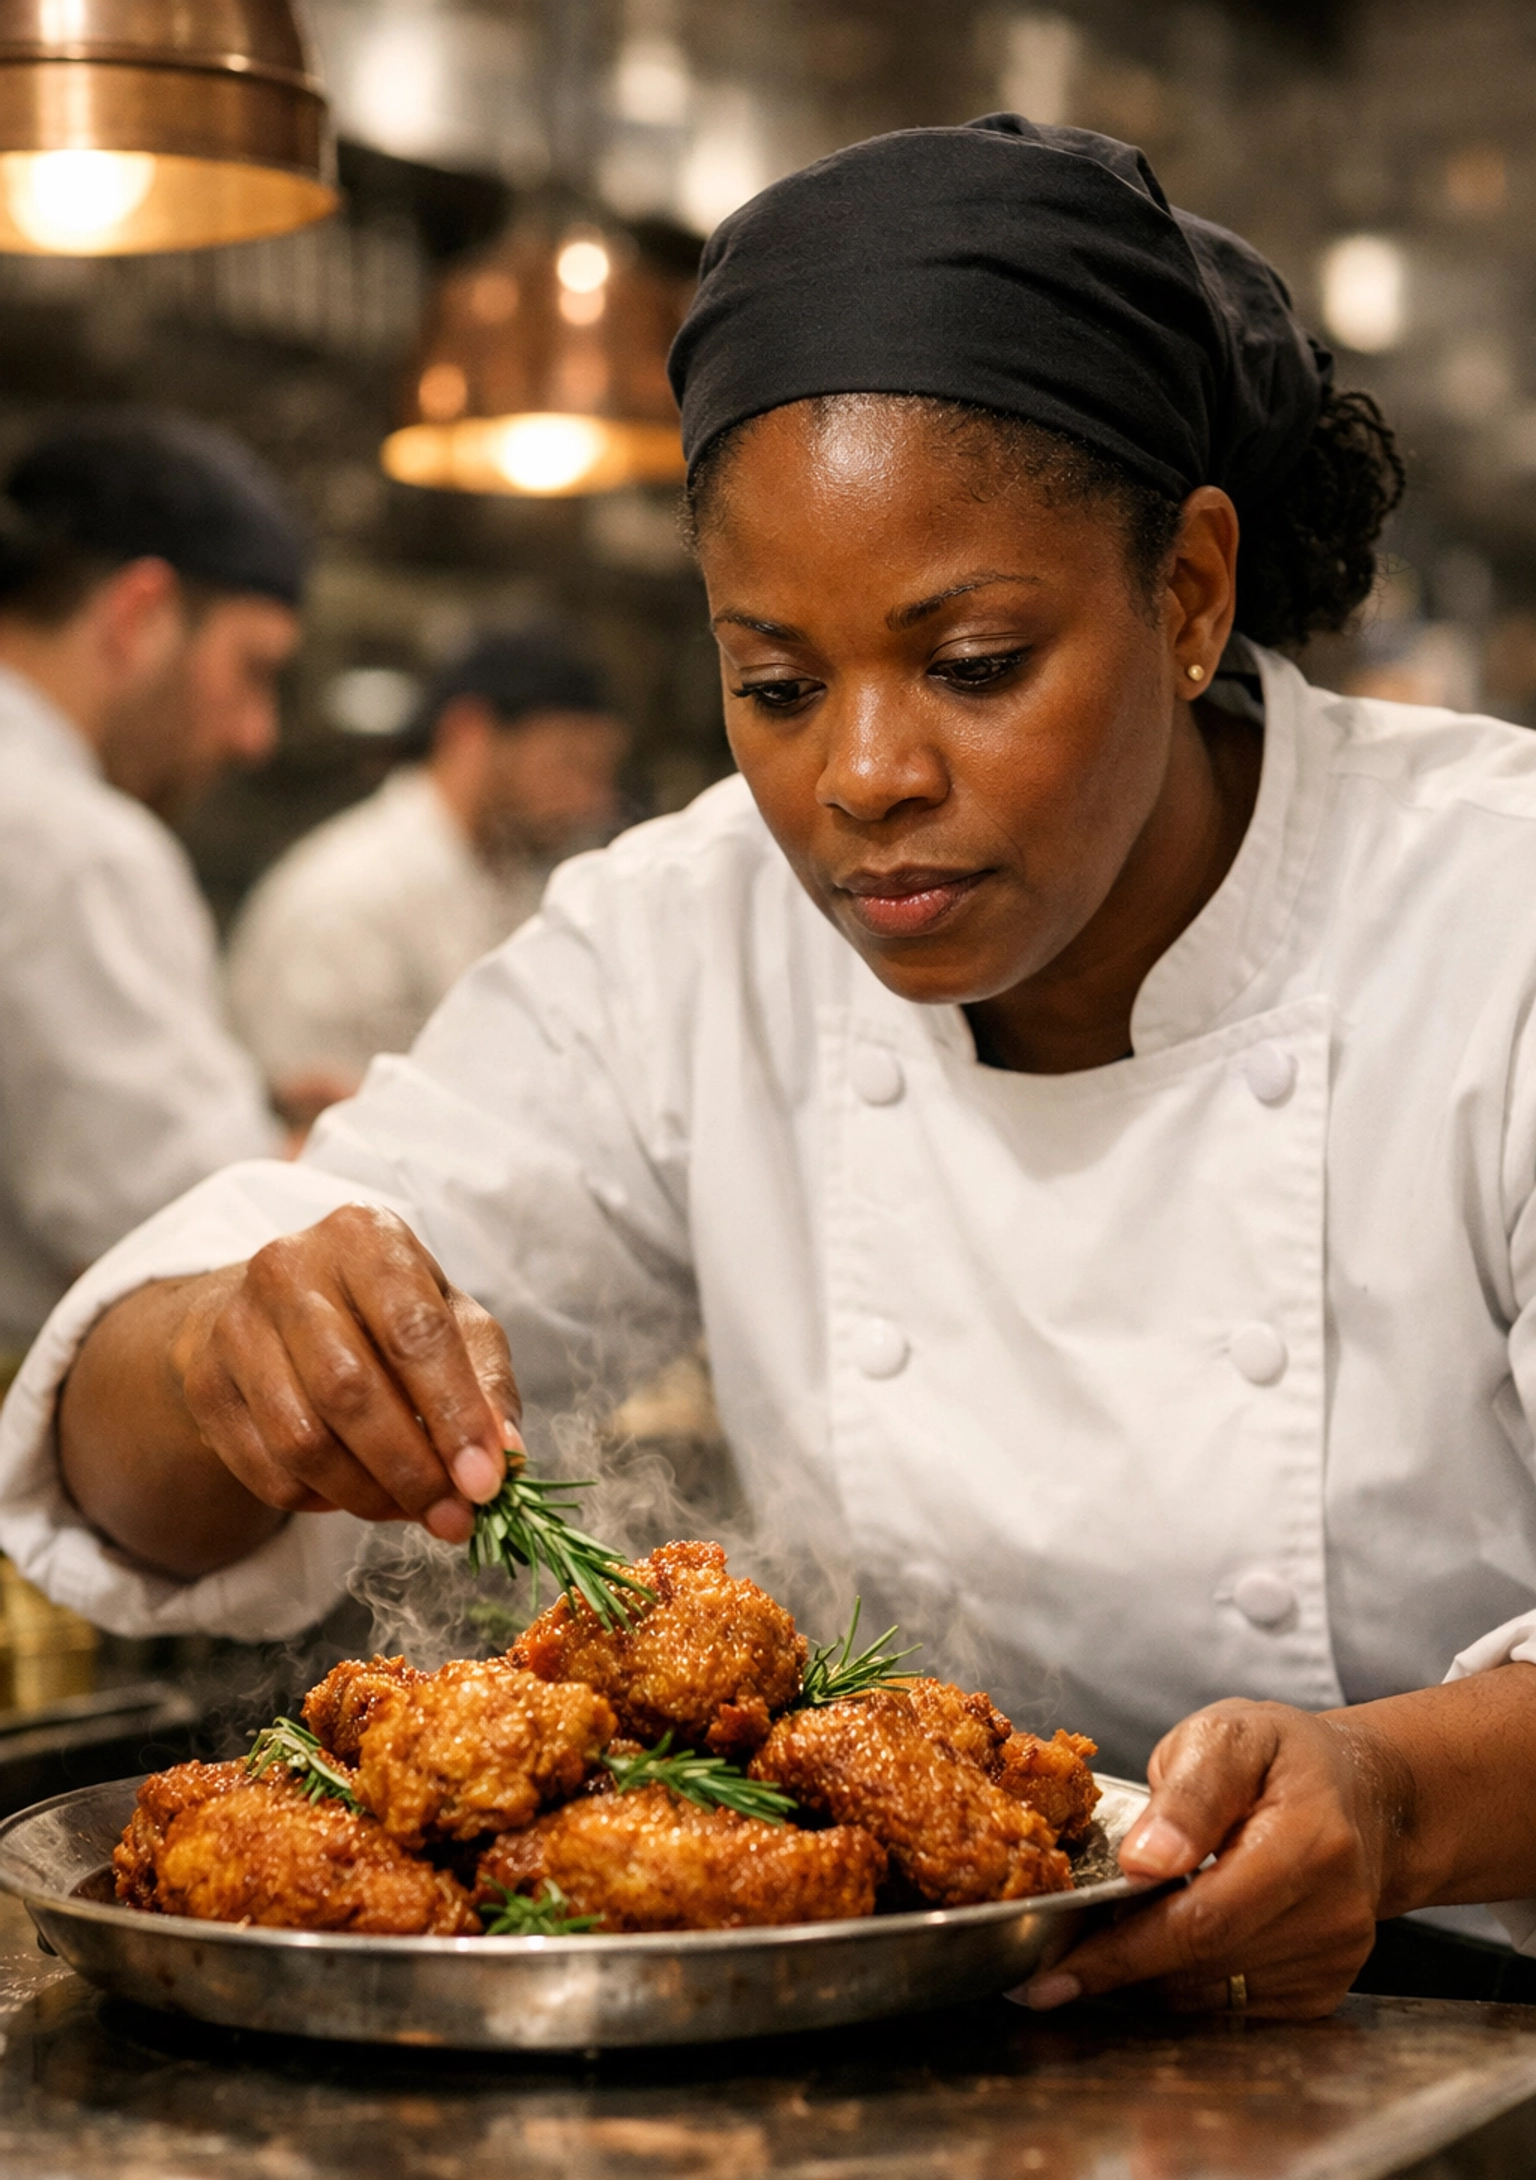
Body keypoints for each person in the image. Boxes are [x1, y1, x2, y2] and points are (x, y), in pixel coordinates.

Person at [7, 116, 1536, 2014]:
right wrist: (233, 1353)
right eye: (778, 684)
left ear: (1192, 590)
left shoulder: (1494, 914)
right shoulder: (686, 934)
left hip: (1473, 2021)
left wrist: (1387, 1797)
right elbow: (126, 1466)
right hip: (891, 2035)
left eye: (973, 660)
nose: (862, 777)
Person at [0, 408, 301, 1368]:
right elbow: (207, 1236)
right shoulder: (69, 841)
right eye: (251, 670)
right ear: (138, 616)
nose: (257, 735)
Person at [226, 630, 627, 1126]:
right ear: (470, 731)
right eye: (568, 761)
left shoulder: (516, 879)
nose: (591, 799)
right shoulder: (350, 895)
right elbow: (317, 1130)